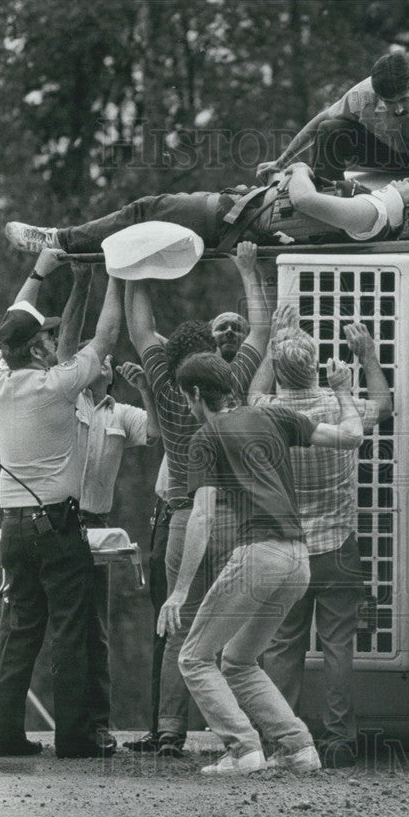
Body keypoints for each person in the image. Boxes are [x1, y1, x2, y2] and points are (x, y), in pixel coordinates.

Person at [157, 351, 364, 776]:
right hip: (299, 559)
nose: (189, 409)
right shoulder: (275, 416)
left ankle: (243, 749)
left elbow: (202, 515)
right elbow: (351, 436)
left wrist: (179, 591)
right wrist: (343, 392)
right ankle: (298, 746)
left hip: (259, 556)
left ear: (197, 394)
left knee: (194, 658)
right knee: (238, 659)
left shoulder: (206, 438)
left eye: (187, 399)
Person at [122, 242, 270, 756]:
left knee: (176, 621)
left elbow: (141, 332)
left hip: (185, 515)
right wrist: (249, 271)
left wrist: (132, 270)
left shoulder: (166, 390)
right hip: (236, 516)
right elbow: (261, 332)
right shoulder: (235, 382)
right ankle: (252, 726)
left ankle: (168, 729)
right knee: (237, 627)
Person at [0, 248, 122, 757]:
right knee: (69, 631)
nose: (53, 340)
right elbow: (105, 338)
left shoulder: (2, 379)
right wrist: (119, 277)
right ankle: (75, 739)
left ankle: (2, 734)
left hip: (12, 528)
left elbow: (14, 321)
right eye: (47, 336)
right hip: (56, 525)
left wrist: (40, 271)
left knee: (19, 629)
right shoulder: (56, 386)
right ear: (38, 350)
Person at [248, 313, 393, 768]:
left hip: (288, 548)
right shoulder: (337, 407)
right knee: (337, 646)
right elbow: (385, 406)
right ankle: (338, 740)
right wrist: (366, 355)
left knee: (282, 645)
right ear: (315, 366)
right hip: (338, 547)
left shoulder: (266, 414)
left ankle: (284, 739)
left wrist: (272, 343)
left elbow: (251, 392)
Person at [54, 261, 161, 752]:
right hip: (57, 522)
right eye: (97, 356)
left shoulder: (123, 413)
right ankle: (61, 728)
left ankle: (95, 726)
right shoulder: (67, 401)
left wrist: (147, 392)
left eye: (109, 360)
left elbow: (157, 434)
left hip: (95, 526)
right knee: (53, 623)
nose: (105, 360)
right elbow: (78, 339)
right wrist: (101, 277)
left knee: (94, 627)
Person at [4, 168, 409, 258]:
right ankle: (65, 243)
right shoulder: (371, 207)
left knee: (146, 210)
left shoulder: (369, 213)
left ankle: (59, 239)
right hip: (237, 216)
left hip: (228, 216)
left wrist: (296, 170)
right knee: (144, 229)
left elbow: (301, 201)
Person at [255, 51, 409, 219]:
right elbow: (318, 124)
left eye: (404, 100)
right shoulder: (363, 95)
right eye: (390, 102)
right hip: (389, 155)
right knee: (331, 129)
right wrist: (281, 162)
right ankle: (328, 207)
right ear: (378, 95)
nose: (398, 110)